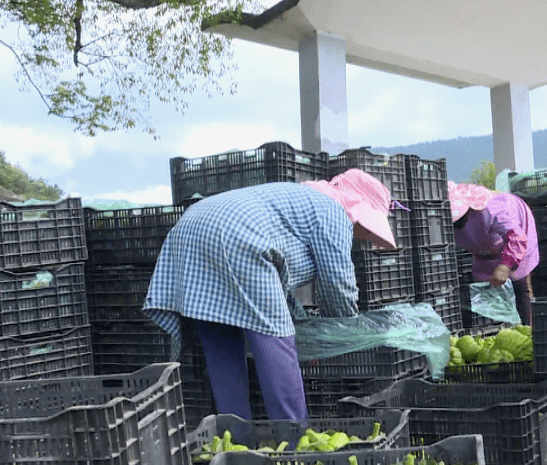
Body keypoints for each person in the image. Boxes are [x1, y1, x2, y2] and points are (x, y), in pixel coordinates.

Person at [143, 169, 398, 421]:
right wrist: (336, 335)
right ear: (359, 211)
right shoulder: (333, 210)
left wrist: (307, 330)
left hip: (190, 228)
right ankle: (295, 437)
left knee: (221, 332)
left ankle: (235, 435)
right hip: (237, 235)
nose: (368, 238)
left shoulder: (298, 200)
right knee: (274, 336)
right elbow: (338, 283)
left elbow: (280, 288)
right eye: (369, 230)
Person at [449, 181, 540, 325]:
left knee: (520, 287)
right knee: (489, 293)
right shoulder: (446, 223)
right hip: (484, 250)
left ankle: (530, 330)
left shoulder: (491, 210)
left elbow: (517, 237)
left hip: (516, 235)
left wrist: (505, 265)